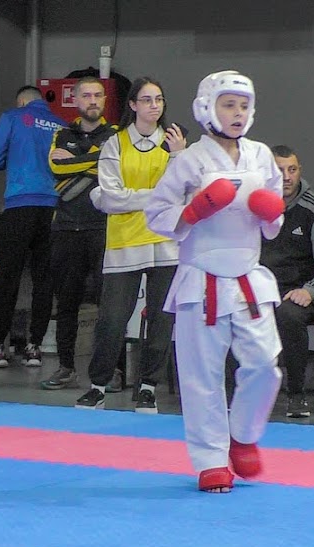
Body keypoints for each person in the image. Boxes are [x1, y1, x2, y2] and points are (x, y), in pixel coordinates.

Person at [144, 70, 285, 493]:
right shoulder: (187, 161)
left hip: (248, 278)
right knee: (201, 376)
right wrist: (191, 212)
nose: (238, 113)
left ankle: (243, 434)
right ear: (207, 107)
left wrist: (270, 210)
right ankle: (210, 459)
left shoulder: (261, 156)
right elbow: (156, 213)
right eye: (229, 104)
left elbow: (275, 221)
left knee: (265, 364)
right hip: (200, 279)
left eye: (243, 105)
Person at [73, 76, 186, 412]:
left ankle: (148, 386)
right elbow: (110, 199)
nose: (155, 106)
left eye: (159, 100)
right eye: (147, 100)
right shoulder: (115, 144)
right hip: (124, 244)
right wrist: (158, 197)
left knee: (162, 321)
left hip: (167, 244)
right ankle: (98, 385)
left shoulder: (176, 145)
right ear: (133, 105)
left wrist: (178, 159)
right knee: (112, 319)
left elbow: (182, 194)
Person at [0, 86, 66, 368]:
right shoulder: (61, 125)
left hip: (19, 203)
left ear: (22, 101)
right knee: (44, 278)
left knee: (8, 276)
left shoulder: (13, 117)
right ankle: (35, 347)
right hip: (53, 206)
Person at [41, 77, 119, 390]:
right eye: (86, 95)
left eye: (97, 95)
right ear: (75, 99)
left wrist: (75, 162)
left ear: (104, 100)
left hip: (102, 226)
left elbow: (114, 167)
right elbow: (56, 171)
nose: (92, 100)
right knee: (67, 302)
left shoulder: (115, 135)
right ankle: (65, 367)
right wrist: (94, 162)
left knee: (109, 304)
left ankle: (111, 371)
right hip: (66, 227)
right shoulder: (62, 133)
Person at [260, 145, 314, 418]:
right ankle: (231, 392)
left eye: (292, 170)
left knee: (287, 315)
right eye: (279, 170)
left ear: (300, 172)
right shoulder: (255, 206)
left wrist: (311, 290)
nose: (286, 176)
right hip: (261, 290)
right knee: (231, 312)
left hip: (302, 293)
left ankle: (296, 395)